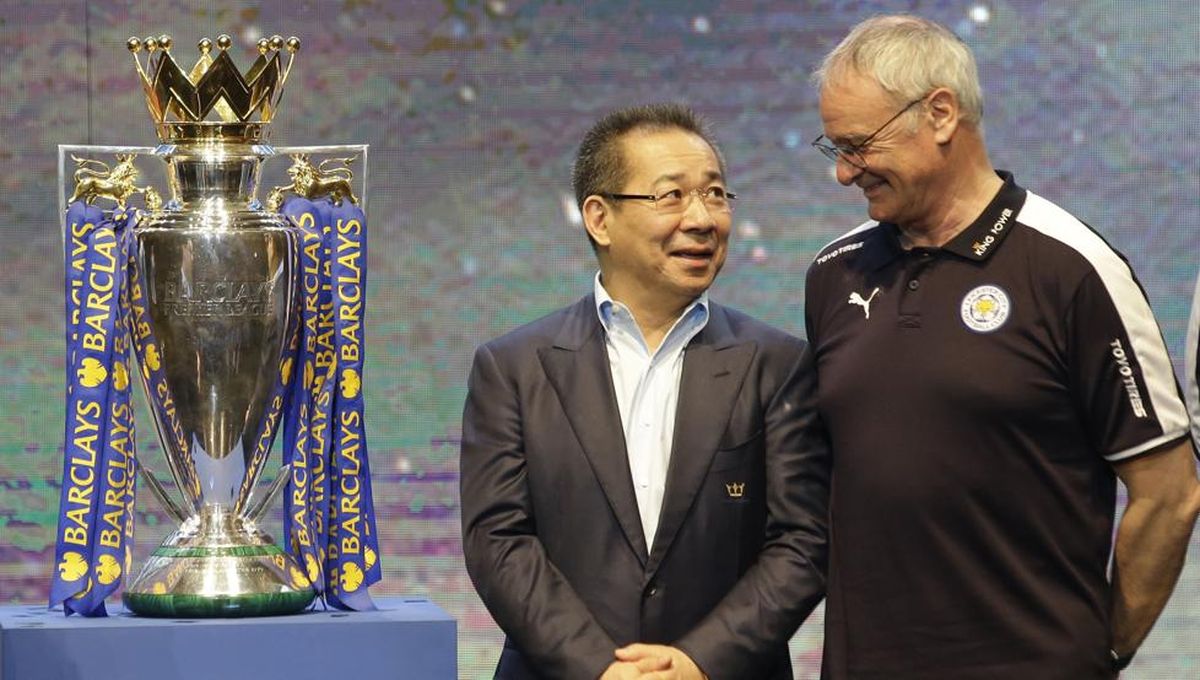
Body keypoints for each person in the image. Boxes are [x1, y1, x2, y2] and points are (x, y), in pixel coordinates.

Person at [804, 14, 1200, 679]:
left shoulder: (1073, 269)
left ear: (940, 114)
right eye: (833, 148)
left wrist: (1103, 654)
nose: (844, 173)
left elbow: (1170, 494)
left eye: (860, 145)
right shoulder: (832, 274)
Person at [460, 104, 829, 680]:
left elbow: (804, 540)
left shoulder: (778, 364)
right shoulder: (513, 368)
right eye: (671, 196)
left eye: (715, 194)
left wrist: (699, 661)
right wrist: (599, 668)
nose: (702, 219)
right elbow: (498, 542)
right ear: (599, 219)